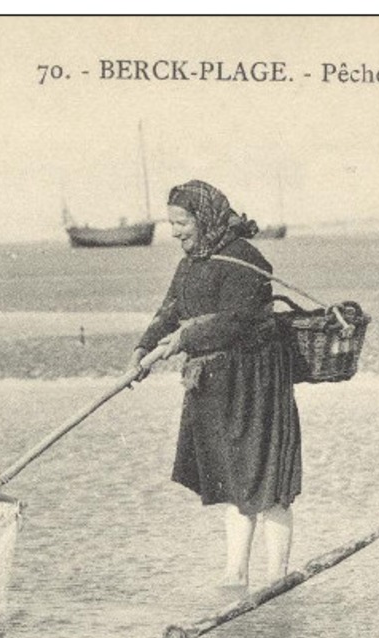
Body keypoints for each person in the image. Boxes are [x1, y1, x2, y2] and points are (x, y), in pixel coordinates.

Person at [134, 180, 301, 591]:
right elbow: (171, 309)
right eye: (171, 223)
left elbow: (237, 319)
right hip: (213, 383)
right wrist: (144, 346)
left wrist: (186, 339)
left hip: (256, 381)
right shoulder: (192, 261)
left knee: (267, 481)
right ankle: (235, 574)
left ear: (203, 217)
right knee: (233, 479)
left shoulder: (244, 260)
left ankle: (276, 578)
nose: (175, 232)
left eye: (181, 222)